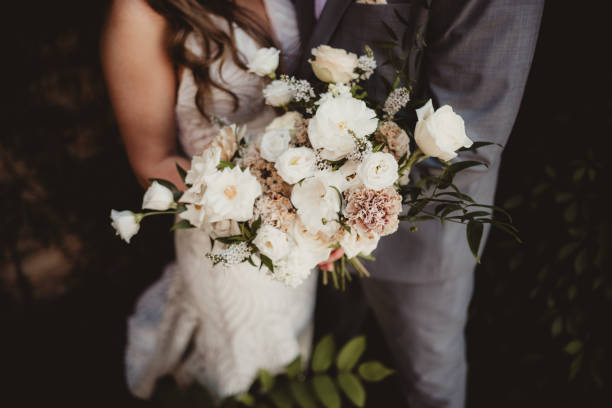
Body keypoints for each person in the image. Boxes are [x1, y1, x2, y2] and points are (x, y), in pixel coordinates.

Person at [299, 0, 545, 407]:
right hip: (307, 207)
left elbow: (470, 133)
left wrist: (352, 220)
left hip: (421, 235)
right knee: (324, 350)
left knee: (431, 385)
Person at [101, 0, 313, 400]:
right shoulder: (138, 12)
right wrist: (262, 204)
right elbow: (153, 162)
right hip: (226, 237)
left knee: (293, 358)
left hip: (302, 225)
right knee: (241, 375)